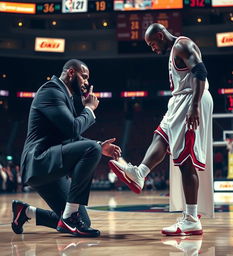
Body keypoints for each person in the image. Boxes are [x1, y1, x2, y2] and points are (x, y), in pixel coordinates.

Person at [109, 23, 213, 236]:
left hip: (191, 99)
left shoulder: (182, 44)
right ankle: (140, 173)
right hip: (179, 100)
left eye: (153, 43)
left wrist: (193, 106)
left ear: (160, 35)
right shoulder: (173, 50)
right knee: (160, 136)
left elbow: (200, 71)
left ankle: (192, 219)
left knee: (185, 160)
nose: (153, 48)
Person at [11, 59, 121, 237]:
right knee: (90, 148)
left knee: (84, 222)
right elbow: (72, 129)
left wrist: (100, 147)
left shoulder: (65, 96)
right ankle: (69, 217)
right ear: (71, 73)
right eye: (84, 77)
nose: (86, 83)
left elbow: (69, 136)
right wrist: (90, 109)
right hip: (39, 160)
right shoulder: (51, 91)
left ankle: (25, 212)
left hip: (51, 163)